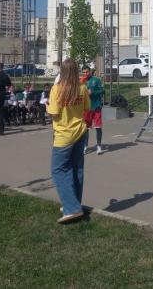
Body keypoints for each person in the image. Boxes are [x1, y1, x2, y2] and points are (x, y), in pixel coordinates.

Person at [48, 58, 90, 224]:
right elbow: (86, 108)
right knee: (77, 168)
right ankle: (73, 204)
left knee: (58, 170)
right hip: (80, 132)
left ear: (62, 71)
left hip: (64, 134)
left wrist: (47, 107)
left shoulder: (57, 89)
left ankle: (72, 208)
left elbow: (54, 113)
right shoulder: (82, 88)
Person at [82, 66, 106, 155]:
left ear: (90, 71)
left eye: (87, 72)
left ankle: (99, 146)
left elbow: (103, 91)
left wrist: (93, 92)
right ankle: (85, 146)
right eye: (84, 72)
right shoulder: (82, 81)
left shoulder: (96, 80)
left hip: (96, 106)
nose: (85, 74)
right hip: (86, 108)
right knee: (86, 128)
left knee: (98, 127)